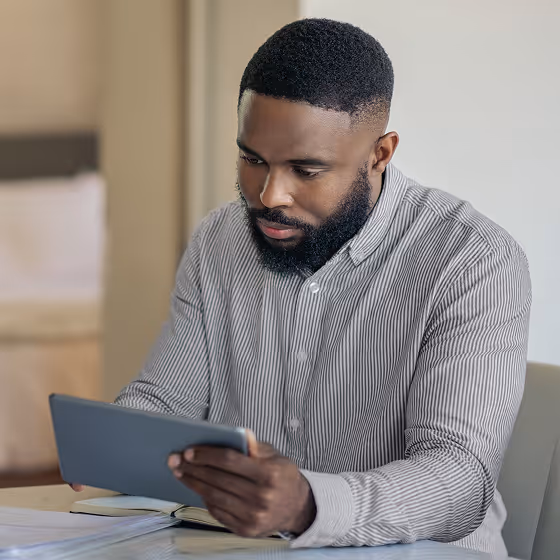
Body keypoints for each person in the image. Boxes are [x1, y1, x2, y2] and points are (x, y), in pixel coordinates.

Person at [94, 19, 532, 556]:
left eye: (306, 170)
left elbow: (458, 481)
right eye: (252, 159)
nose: (269, 194)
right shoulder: (219, 240)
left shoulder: (471, 260)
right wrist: (110, 445)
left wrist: (306, 505)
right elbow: (166, 400)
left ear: (381, 153)